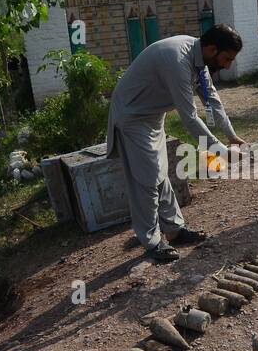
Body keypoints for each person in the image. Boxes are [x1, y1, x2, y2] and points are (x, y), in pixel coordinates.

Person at [106, 26, 247, 263]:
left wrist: (231, 136)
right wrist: (220, 152)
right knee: (146, 179)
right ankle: (152, 242)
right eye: (226, 59)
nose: (227, 66)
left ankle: (174, 229)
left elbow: (212, 101)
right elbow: (189, 118)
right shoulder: (178, 60)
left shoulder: (200, 61)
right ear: (212, 49)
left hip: (152, 116)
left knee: (160, 173)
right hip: (132, 117)